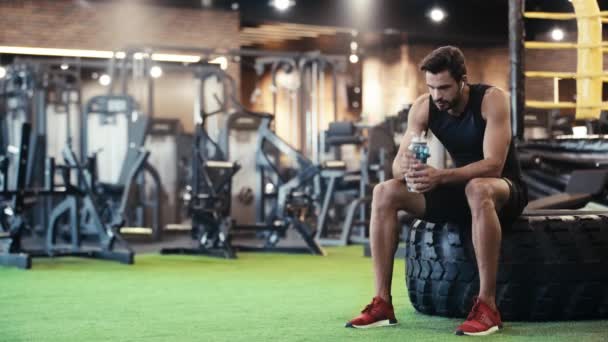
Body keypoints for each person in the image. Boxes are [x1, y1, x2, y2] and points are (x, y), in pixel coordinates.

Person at [345, 46, 528, 336]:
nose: (437, 95)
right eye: (431, 87)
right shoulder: (424, 107)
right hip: (459, 190)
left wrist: (440, 176)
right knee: (384, 191)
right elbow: (395, 169)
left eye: (443, 87)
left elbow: (493, 165)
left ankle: (487, 306)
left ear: (463, 81)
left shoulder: (492, 100)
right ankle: (382, 303)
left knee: (478, 188)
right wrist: (407, 167)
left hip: (503, 190)